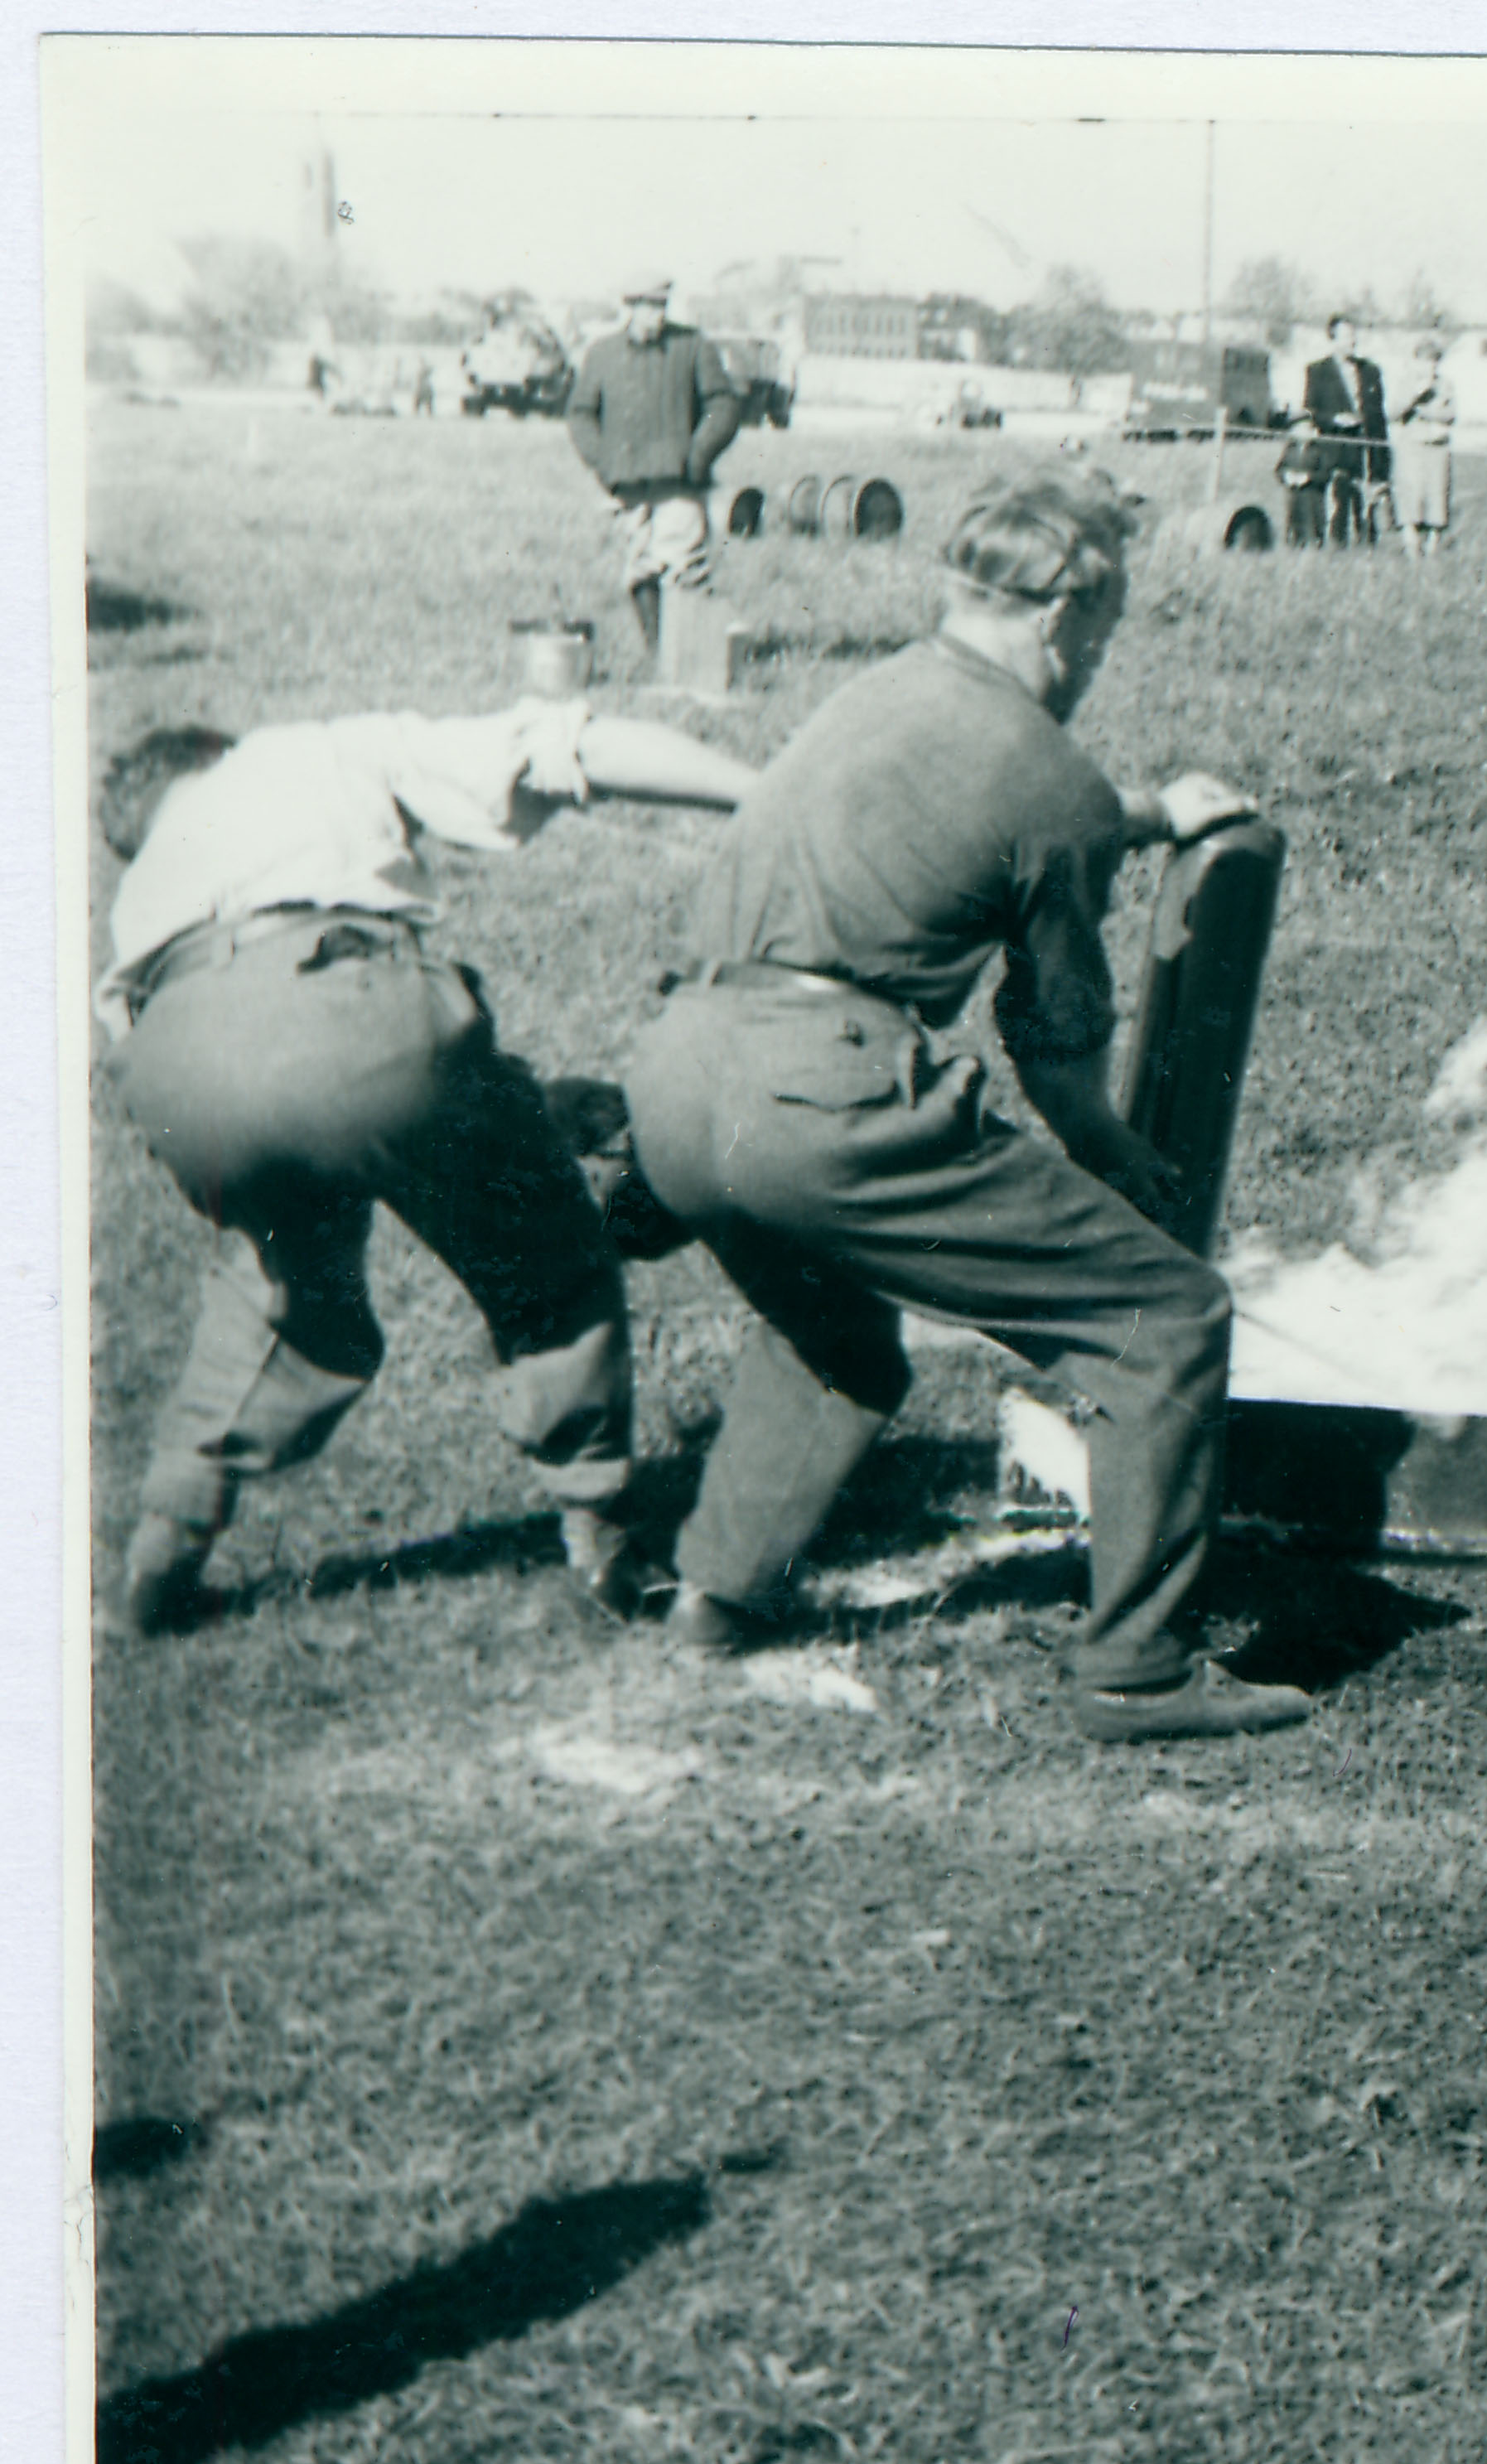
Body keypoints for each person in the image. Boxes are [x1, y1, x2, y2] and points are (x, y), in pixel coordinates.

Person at [620, 467, 1311, 1746]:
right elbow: (1052, 1038)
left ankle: (714, 1595)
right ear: (1064, 623)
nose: (1095, 659)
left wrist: (1144, 813)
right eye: (1100, 636)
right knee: (1164, 1317)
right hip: (820, 1094)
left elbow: (974, 820)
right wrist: (1107, 1148)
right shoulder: (1046, 765)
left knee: (836, 1336)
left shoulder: (873, 693)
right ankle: (1140, 1673)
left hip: (676, 1070)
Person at [93, 698, 760, 1636]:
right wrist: (761, 791)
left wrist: (509, 1105)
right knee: (545, 1253)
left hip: (173, 1069)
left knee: (275, 1287)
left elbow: (267, 1067)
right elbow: (564, 749)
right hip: (348, 995)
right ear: (217, 754)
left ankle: (161, 1550)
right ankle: (602, 1531)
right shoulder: (304, 747)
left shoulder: (142, 891)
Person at [562, 274, 746, 667]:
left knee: (684, 568)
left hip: (679, 483)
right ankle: (661, 656)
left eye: (660, 306)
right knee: (640, 569)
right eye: (645, 307)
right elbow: (579, 414)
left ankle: (694, 661)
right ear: (627, 308)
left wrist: (696, 457)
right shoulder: (602, 354)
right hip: (626, 485)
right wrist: (603, 461)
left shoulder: (693, 346)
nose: (654, 316)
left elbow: (725, 405)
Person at [1301, 315, 1391, 548]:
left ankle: (1367, 546)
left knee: (1367, 505)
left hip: (1365, 450)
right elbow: (1311, 410)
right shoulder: (1317, 371)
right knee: (1339, 502)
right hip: (1335, 449)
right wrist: (1334, 419)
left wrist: (1383, 458)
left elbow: (1379, 417)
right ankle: (1337, 548)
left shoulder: (1371, 371)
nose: (1353, 341)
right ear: (1333, 339)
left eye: (1354, 336)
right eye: (1346, 336)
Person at [1389, 334, 1456, 558]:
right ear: (1415, 361)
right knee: (1411, 495)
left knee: (1436, 495)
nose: (1430, 366)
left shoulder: (1445, 384)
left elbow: (1451, 414)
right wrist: (1416, 395)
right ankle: (1411, 546)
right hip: (1412, 447)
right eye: (1426, 360)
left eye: (1434, 361)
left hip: (1437, 447)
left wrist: (1424, 411)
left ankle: (1433, 546)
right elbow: (1394, 412)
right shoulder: (1406, 383)